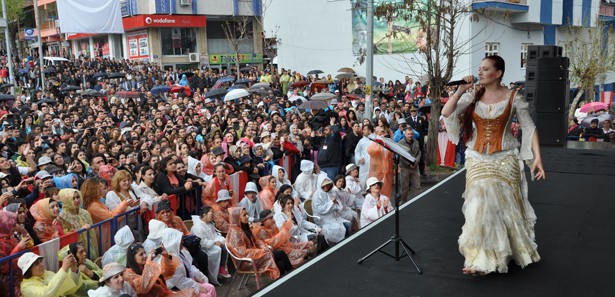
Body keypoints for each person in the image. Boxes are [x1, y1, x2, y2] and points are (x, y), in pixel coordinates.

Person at [441, 54, 545, 275]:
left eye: (485, 69)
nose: (480, 72)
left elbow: (529, 127)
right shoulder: (473, 96)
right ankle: (480, 259)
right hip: (477, 157)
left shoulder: (514, 97)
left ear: (498, 73)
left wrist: (537, 158)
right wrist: (460, 90)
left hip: (505, 156)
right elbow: (446, 112)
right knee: (478, 205)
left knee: (501, 208)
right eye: (479, 69)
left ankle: (500, 253)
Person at [225, 207, 281, 280]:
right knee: (280, 254)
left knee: (280, 262)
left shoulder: (244, 227)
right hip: (246, 261)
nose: (248, 216)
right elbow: (242, 252)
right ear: (237, 217)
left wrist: (263, 247)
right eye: (244, 215)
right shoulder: (235, 233)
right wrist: (261, 251)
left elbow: (256, 241)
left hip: (254, 255)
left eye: (247, 214)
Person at [160, 228, 217, 297]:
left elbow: (190, 266)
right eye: (180, 240)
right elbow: (179, 282)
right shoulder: (169, 260)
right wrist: (197, 286)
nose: (183, 242)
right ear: (174, 242)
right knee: (205, 295)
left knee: (211, 287)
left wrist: (199, 276)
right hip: (177, 288)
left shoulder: (182, 252)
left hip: (188, 280)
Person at [124, 242, 193, 297]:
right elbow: (144, 286)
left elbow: (169, 273)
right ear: (133, 258)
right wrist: (148, 263)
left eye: (145, 253)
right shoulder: (128, 274)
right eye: (141, 254)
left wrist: (166, 256)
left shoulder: (148, 266)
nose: (145, 256)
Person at [190, 206, 230, 284]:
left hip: (212, 243)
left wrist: (220, 241)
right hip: (205, 247)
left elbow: (215, 235)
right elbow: (202, 242)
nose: (213, 216)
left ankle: (221, 268)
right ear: (204, 215)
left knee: (225, 246)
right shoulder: (197, 227)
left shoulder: (209, 224)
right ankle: (215, 273)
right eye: (211, 214)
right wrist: (214, 243)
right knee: (218, 250)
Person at [58, 189, 99, 260]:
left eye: (78, 197)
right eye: (73, 198)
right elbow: (65, 235)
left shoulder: (85, 213)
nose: (77, 200)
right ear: (66, 200)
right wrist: (80, 230)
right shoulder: (62, 217)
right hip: (77, 249)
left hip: (90, 243)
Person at [311, 175, 350, 245]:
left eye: (328, 185)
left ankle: (348, 243)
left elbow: (339, 205)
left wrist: (336, 204)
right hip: (323, 218)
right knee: (337, 229)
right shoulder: (317, 195)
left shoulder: (332, 192)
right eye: (324, 185)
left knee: (348, 224)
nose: (326, 187)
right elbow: (320, 209)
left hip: (334, 216)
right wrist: (331, 203)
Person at [397, 126, 422, 203]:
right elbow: (400, 156)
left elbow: (419, 153)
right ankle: (403, 202)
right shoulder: (400, 143)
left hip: (415, 167)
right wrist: (409, 164)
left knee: (417, 185)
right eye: (408, 134)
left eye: (411, 134)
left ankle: (419, 201)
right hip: (404, 167)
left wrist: (416, 162)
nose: (410, 135)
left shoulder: (416, 142)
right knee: (404, 186)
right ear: (405, 134)